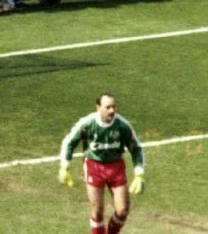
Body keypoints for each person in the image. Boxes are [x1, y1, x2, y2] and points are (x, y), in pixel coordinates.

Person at [59, 93, 146, 234]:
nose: (112, 110)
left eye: (114, 107)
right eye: (108, 107)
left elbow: (136, 148)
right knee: (98, 210)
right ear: (98, 107)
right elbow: (69, 142)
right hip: (94, 167)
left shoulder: (122, 126)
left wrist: (139, 173)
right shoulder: (87, 124)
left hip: (116, 167)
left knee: (123, 210)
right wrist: (64, 166)